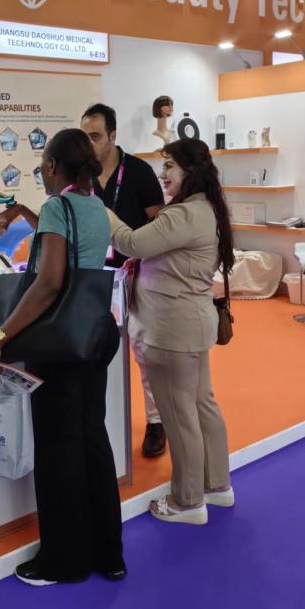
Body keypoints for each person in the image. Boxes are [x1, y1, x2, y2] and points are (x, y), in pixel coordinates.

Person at [0, 129, 125, 586]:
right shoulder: (95, 205)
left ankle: (63, 561)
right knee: (92, 440)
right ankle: (108, 553)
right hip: (94, 332)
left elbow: (47, 283)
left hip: (59, 344)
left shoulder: (56, 208)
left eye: (44, 161)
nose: (42, 169)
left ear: (54, 166)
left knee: (59, 451)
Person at [107, 138, 234, 525]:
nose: (162, 174)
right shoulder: (205, 208)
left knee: (179, 417)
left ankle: (187, 501)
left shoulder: (183, 214)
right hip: (190, 324)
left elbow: (131, 243)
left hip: (171, 330)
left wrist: (104, 212)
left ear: (190, 170)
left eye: (169, 166)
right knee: (201, 406)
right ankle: (216, 485)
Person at [80, 103, 167, 458]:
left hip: (139, 271)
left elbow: (159, 223)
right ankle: (103, 422)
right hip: (94, 275)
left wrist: (139, 251)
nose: (89, 143)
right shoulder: (81, 174)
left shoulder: (140, 172)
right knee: (95, 349)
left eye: (95, 136)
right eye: (84, 136)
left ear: (113, 136)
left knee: (144, 352)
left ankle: (157, 421)